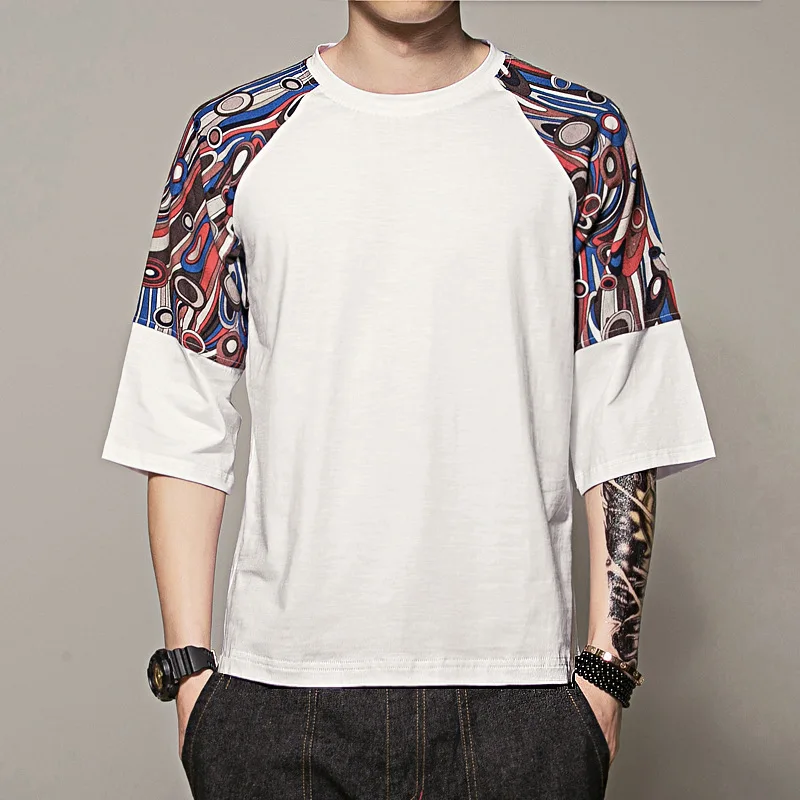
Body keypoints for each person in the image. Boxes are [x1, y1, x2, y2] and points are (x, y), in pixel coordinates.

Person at [101, 2, 717, 798]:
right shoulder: (229, 139)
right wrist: (191, 674)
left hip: (520, 701)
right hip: (276, 696)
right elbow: (178, 414)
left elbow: (628, 415)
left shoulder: (582, 137)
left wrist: (608, 675)